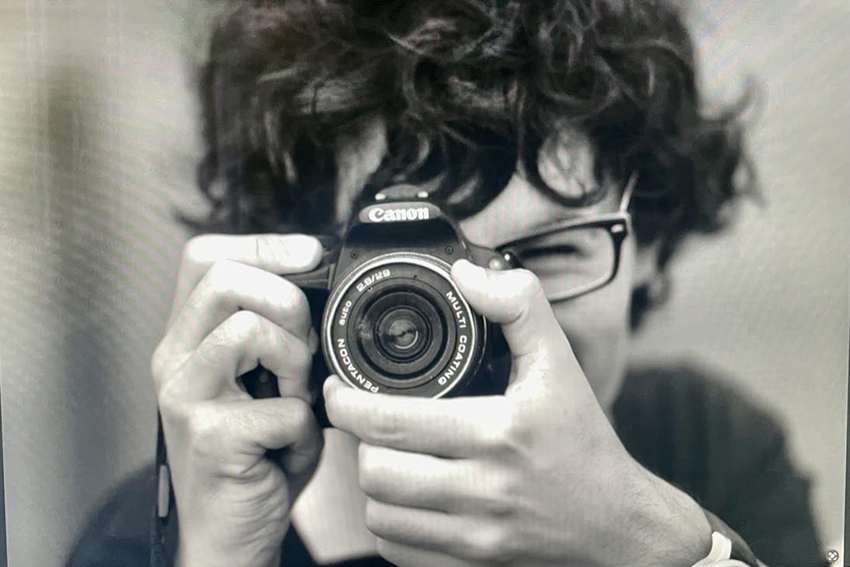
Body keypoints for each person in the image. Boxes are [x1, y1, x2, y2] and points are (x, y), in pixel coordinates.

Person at [67, 1, 827, 566]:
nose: (497, 312)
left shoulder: (707, 446)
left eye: (551, 254)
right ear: (300, 278)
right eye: (413, 276)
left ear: (650, 247)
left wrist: (650, 542)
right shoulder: (159, 532)